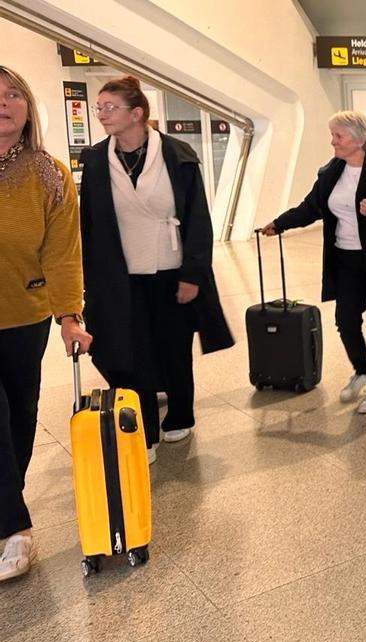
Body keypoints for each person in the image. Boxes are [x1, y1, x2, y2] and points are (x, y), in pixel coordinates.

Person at [79, 76, 234, 465]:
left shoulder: (177, 154)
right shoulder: (96, 160)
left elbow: (198, 219)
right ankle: (143, 429)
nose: (102, 115)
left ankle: (180, 413)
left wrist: (193, 274)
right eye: (99, 108)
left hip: (170, 270)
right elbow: (90, 223)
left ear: (138, 113)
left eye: (109, 107)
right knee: (131, 353)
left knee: (173, 348)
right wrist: (90, 282)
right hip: (120, 276)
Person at [262, 111, 366, 414]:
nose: (332, 141)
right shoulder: (331, 172)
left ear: (359, 140)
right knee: (346, 321)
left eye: (338, 136)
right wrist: (279, 223)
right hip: (344, 259)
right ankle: (363, 369)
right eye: (333, 135)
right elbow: (311, 207)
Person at [0, 66, 91, 581]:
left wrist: (69, 316)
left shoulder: (48, 173)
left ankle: (6, 509)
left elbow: (61, 253)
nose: (4, 104)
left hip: (24, 314)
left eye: (14, 95)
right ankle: (16, 530)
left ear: (28, 106)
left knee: (19, 416)